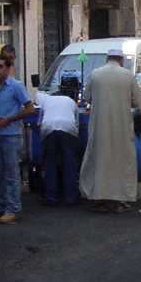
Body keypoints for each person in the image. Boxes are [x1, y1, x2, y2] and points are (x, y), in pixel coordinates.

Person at [79, 48, 141, 213]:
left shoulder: (95, 74)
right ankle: (122, 201)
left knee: (100, 161)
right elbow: (137, 101)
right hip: (121, 126)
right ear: (121, 60)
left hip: (100, 127)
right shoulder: (127, 75)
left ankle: (100, 200)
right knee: (122, 160)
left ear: (107, 59)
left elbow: (87, 98)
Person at [0, 54, 35, 224]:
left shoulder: (16, 86)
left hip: (11, 134)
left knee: (11, 172)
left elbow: (30, 109)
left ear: (8, 68)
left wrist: (9, 119)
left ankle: (13, 208)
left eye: (0, 67)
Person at [38, 72, 81, 206]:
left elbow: (40, 123)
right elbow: (77, 124)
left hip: (48, 128)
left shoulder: (46, 101)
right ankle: (71, 196)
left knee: (49, 164)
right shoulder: (71, 102)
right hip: (67, 129)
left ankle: (51, 196)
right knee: (70, 164)